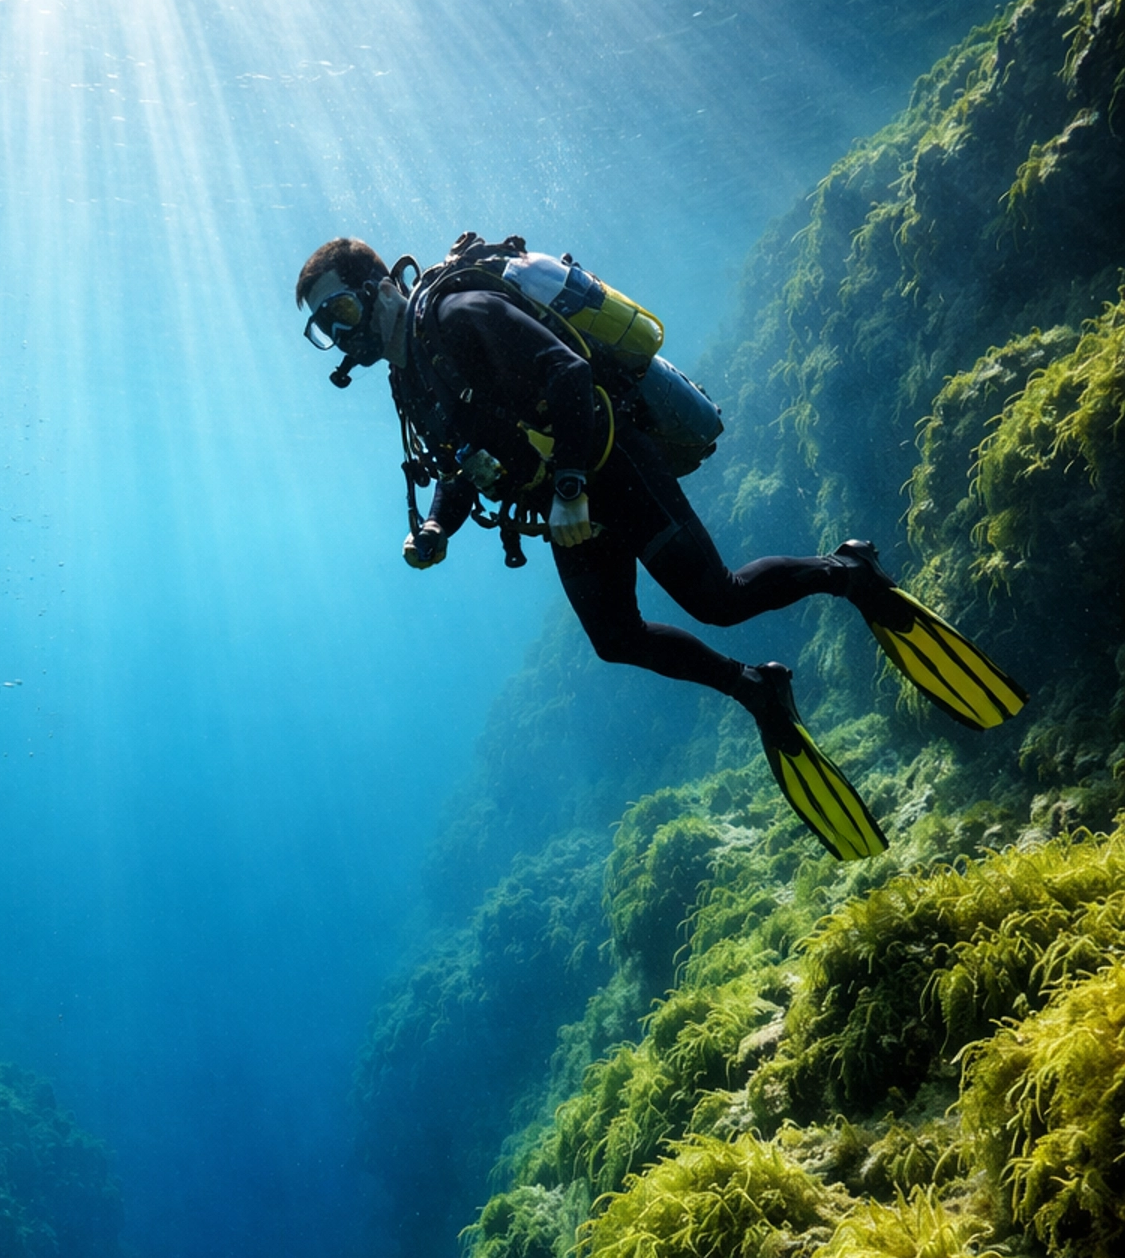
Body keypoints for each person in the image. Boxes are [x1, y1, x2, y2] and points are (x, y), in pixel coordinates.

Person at [295, 234, 1027, 862]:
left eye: (344, 309)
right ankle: (754, 687)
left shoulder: (458, 312)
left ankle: (850, 574)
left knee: (719, 599)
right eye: (327, 326)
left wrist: (576, 484)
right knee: (615, 638)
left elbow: (568, 373)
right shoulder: (408, 379)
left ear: (383, 285)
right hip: (565, 502)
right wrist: (436, 530)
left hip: (609, 465)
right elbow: (460, 465)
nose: (342, 331)